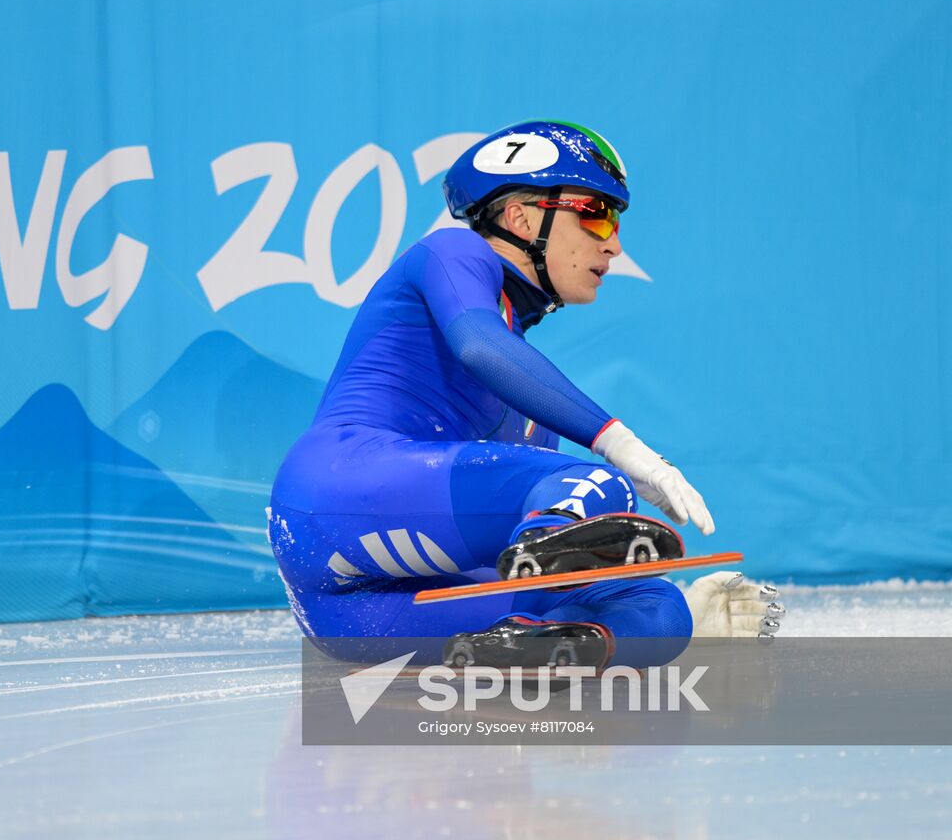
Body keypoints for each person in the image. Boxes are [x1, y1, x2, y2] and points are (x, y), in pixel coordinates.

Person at [268, 120, 779, 667]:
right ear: (520, 216)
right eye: (597, 213)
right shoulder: (454, 253)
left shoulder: (533, 403)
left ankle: (539, 643)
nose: (615, 244)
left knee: (661, 609)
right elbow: (479, 345)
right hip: (332, 490)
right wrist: (620, 446)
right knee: (599, 486)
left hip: (351, 616)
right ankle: (546, 578)